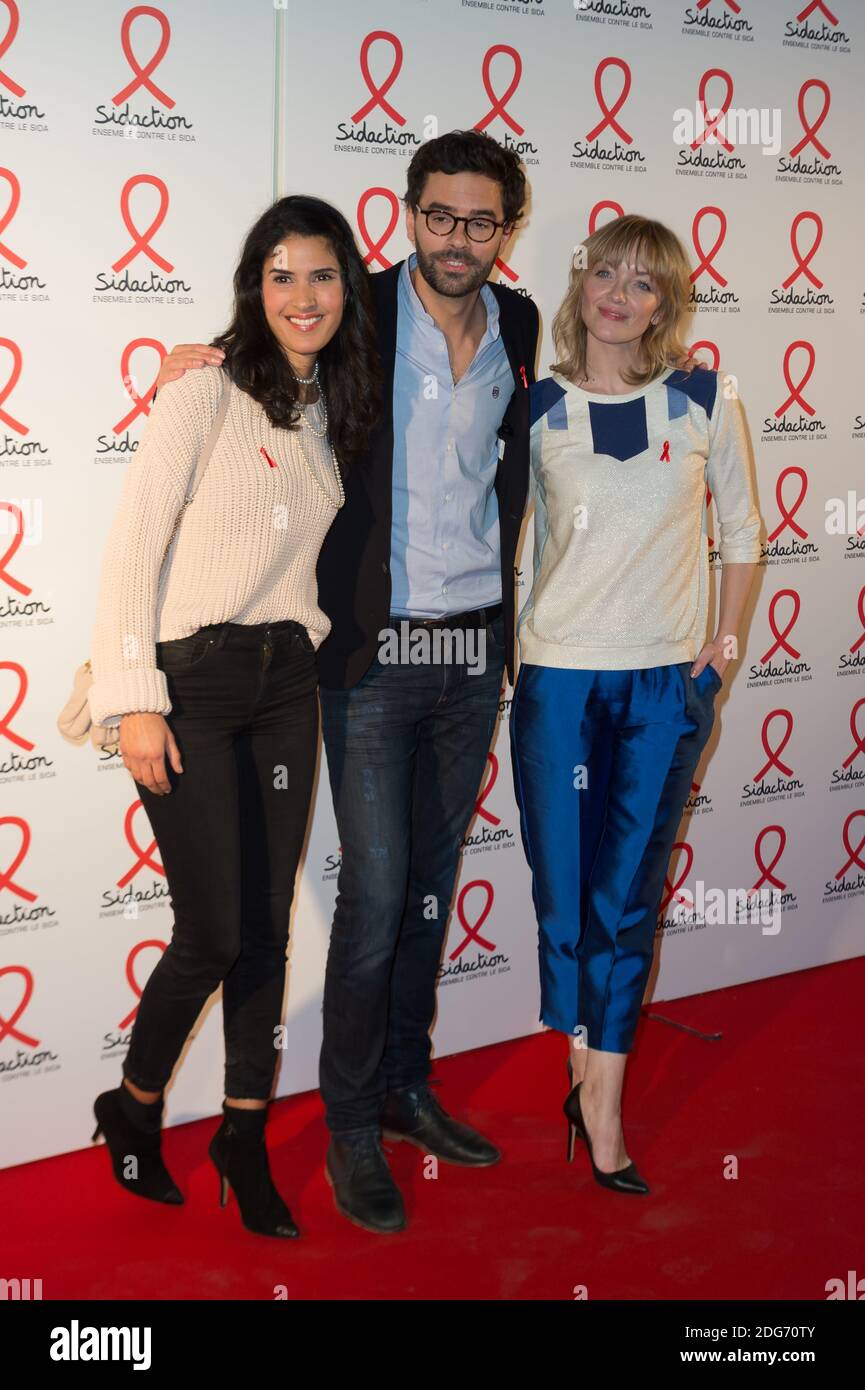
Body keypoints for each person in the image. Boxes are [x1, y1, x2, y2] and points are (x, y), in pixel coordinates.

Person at [155, 130, 540, 1234]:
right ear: (407, 211)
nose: (456, 239)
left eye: (480, 221)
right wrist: (205, 358)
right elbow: (275, 349)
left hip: (469, 649)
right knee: (374, 896)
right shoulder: (359, 308)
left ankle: (409, 1087)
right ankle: (352, 1124)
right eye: (438, 215)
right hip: (372, 654)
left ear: (503, 228)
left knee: (430, 877)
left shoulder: (514, 321)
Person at [88, 195, 381, 1239]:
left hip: (287, 683)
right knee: (212, 929)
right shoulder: (203, 392)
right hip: (194, 685)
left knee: (263, 931)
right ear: (253, 289)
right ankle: (130, 1107)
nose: (301, 296)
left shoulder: (334, 408)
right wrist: (130, 700)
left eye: (321, 275)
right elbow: (131, 546)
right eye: (279, 274)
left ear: (348, 288)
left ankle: (242, 1135)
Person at [510, 214, 761, 1194]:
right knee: (567, 901)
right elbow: (500, 543)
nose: (620, 294)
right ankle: (583, 1070)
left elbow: (741, 532)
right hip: (557, 686)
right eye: (605, 273)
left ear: (667, 304)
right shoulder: (532, 408)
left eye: (644, 283)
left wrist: (717, 665)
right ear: (580, 287)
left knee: (625, 902)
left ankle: (601, 1107)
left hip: (664, 686)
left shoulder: (705, 397)